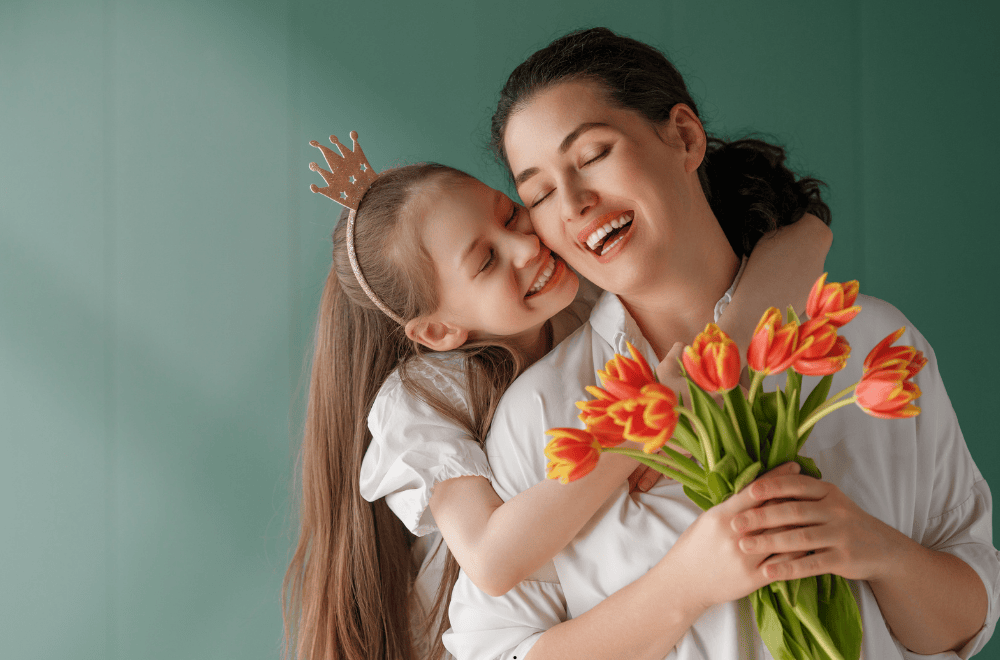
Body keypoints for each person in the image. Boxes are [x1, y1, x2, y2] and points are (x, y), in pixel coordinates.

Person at [444, 28, 997, 660]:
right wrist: (684, 586)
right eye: (539, 194)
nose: (572, 204)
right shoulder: (542, 414)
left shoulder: (871, 341)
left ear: (683, 137)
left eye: (592, 154)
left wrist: (875, 548)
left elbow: (964, 622)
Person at [281, 130, 833, 660]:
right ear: (439, 331)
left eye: (509, 214)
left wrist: (716, 365)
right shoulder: (424, 398)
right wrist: (638, 426)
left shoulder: (584, 292)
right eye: (486, 260)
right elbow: (492, 561)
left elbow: (807, 235)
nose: (524, 246)